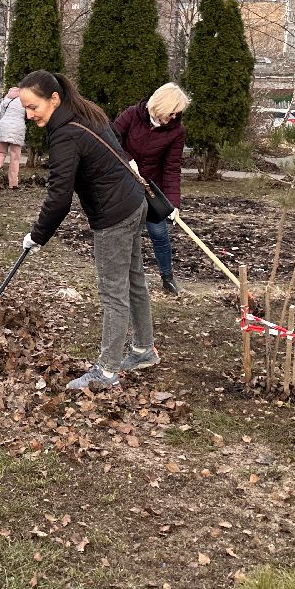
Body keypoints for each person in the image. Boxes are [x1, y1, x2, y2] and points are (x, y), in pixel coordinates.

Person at [17, 70, 155, 392]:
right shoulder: (85, 112)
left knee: (112, 293)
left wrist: (37, 236)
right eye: (25, 108)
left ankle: (106, 373)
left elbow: (59, 196)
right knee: (134, 280)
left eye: (33, 107)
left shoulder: (65, 134)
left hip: (114, 217)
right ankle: (143, 349)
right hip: (134, 202)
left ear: (54, 99)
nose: (29, 115)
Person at [113, 82, 192, 296]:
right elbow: (110, 139)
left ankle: (167, 278)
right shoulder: (132, 115)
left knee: (158, 231)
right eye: (172, 112)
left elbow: (172, 168)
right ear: (161, 105)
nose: (174, 117)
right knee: (125, 230)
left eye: (178, 114)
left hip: (151, 188)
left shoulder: (176, 131)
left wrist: (173, 204)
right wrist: (127, 159)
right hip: (124, 183)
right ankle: (122, 277)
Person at [0, 85, 27, 189]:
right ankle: (13, 183)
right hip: (17, 128)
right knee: (15, 157)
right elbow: (28, 115)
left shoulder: (6, 99)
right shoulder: (24, 99)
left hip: (3, 126)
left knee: (0, 153)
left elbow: (1, 115)